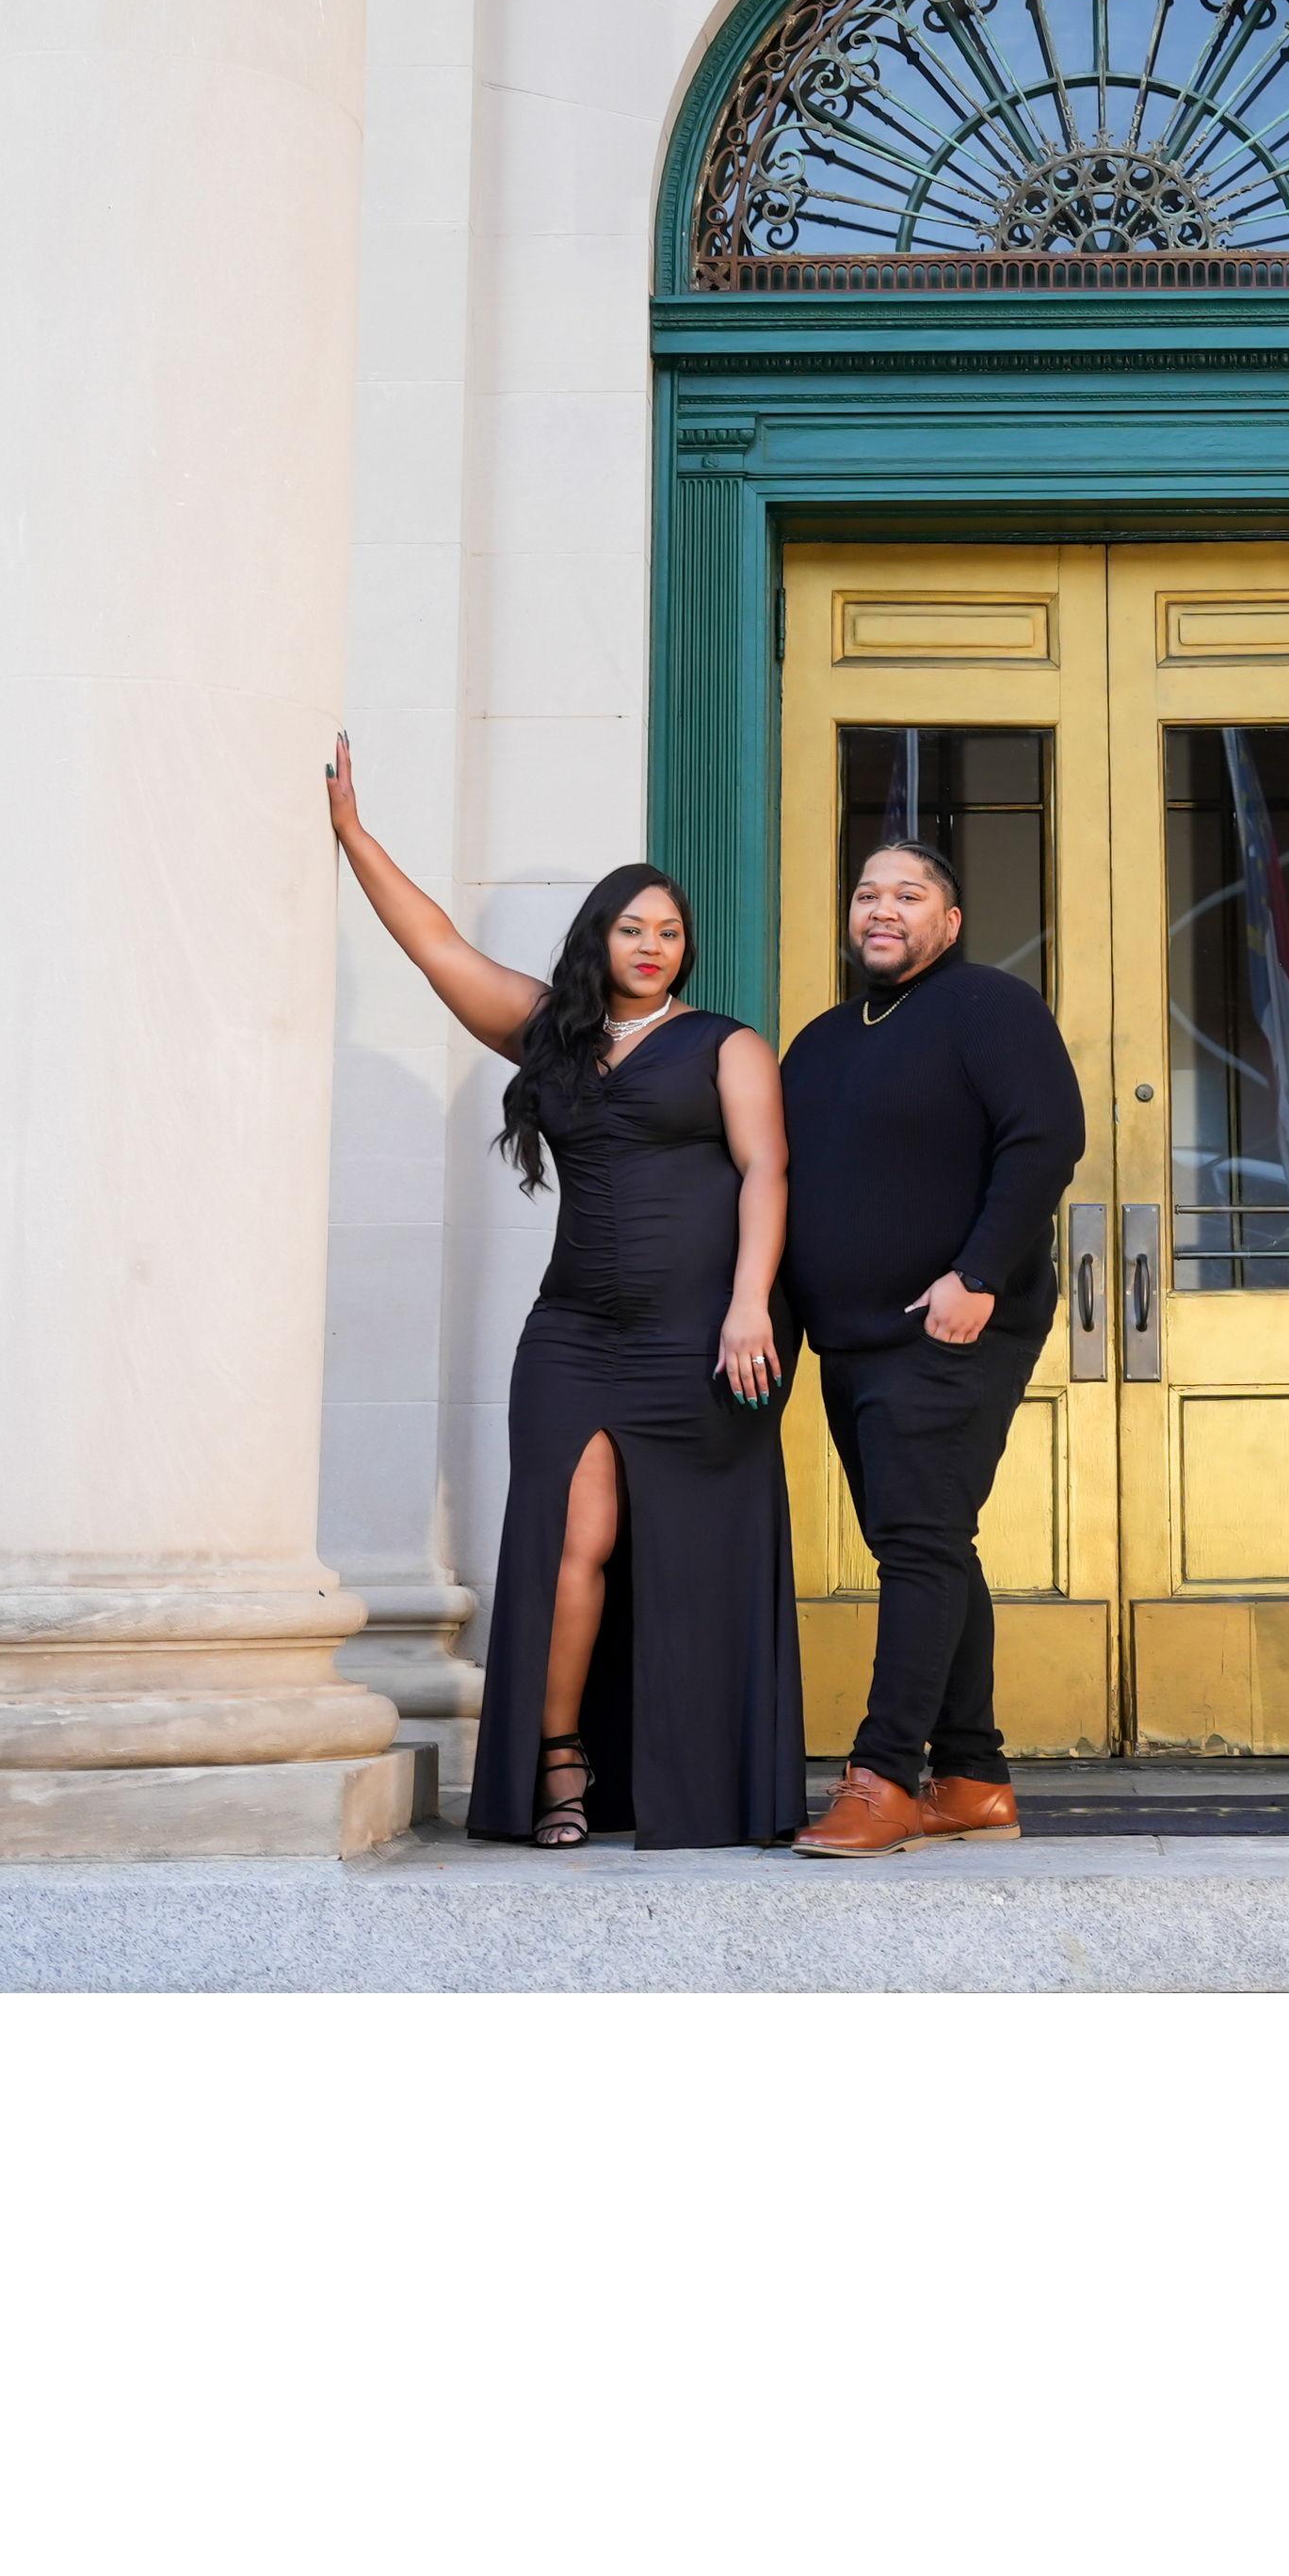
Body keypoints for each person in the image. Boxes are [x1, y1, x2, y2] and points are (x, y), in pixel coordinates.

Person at [325, 741, 804, 1849]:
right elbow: (436, 946)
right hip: (574, 1334)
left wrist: (749, 1304)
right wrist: (354, 836)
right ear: (600, 938)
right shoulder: (547, 1033)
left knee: (685, 1554)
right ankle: (559, 1759)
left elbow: (768, 1171)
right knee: (571, 1541)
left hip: (702, 1333)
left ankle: (694, 1778)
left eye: (669, 932)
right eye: (633, 928)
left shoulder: (727, 1046)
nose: (652, 946)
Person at [779, 837, 1088, 1858]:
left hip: (952, 1325)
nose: (883, 908)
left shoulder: (989, 1006)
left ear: (948, 923)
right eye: (868, 892)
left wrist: (980, 1275)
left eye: (908, 895)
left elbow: (1046, 1137)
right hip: (850, 1341)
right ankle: (973, 1779)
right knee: (929, 1544)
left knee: (918, 1544)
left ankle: (881, 1780)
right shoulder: (820, 1042)